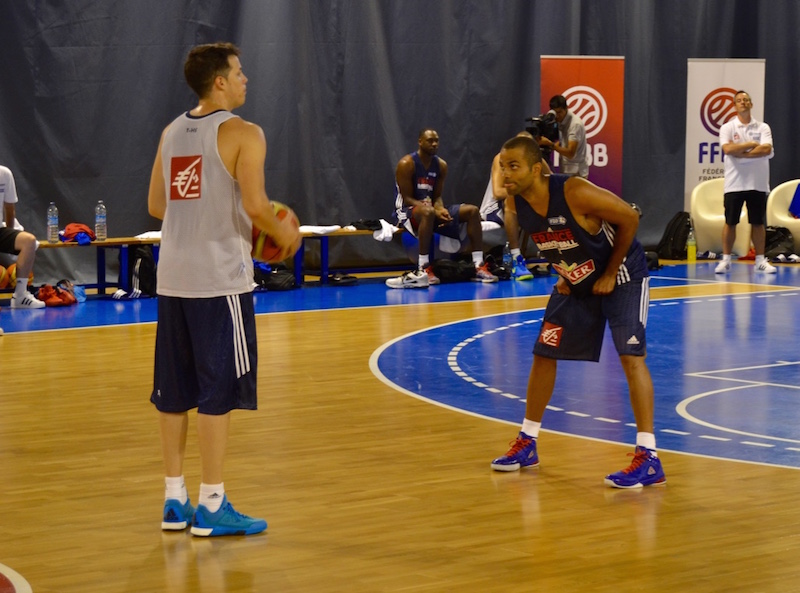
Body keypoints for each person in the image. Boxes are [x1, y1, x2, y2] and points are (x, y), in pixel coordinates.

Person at [147, 42, 300, 536]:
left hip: (172, 277)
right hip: (219, 282)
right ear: (219, 81)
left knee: (173, 391)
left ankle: (175, 500)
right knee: (219, 391)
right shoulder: (244, 133)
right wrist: (285, 236)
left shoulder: (171, 131)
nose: (245, 79)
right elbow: (256, 206)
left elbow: (156, 205)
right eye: (239, 72)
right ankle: (212, 504)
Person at [490, 135, 665, 489]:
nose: (505, 173)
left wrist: (611, 271)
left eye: (514, 166)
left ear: (536, 169)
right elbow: (550, 237)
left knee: (631, 357)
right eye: (502, 166)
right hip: (578, 279)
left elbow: (630, 218)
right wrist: (563, 270)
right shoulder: (514, 201)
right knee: (544, 352)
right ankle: (528, 442)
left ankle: (649, 458)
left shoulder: (574, 191)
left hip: (623, 274)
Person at [387, 128, 497, 288]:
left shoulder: (441, 165)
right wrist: (434, 209)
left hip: (429, 210)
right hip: (404, 212)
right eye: (430, 140)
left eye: (436, 140)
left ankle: (478, 265)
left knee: (472, 211)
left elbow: (436, 196)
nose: (434, 144)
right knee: (428, 212)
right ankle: (424, 269)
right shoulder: (407, 164)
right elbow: (407, 198)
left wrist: (441, 209)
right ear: (420, 142)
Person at [715, 90, 776, 274]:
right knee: (730, 222)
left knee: (758, 222)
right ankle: (726, 260)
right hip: (735, 183)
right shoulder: (727, 128)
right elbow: (727, 149)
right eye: (740, 101)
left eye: (747, 100)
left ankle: (760, 260)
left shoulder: (763, 127)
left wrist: (741, 154)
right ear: (734, 106)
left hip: (757, 183)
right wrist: (750, 144)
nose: (743, 103)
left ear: (751, 104)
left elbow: (766, 149)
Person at [479, 131, 536, 280]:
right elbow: (498, 192)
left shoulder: (535, 163)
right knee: (513, 199)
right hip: (494, 207)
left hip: (522, 203)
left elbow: (549, 184)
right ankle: (516, 258)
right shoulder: (501, 159)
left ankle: (556, 257)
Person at [0, 165, 45, 312]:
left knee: (29, 241)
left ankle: (20, 295)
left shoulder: (4, 173)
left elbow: (9, 208)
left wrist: (9, 236)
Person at [537, 95, 589, 179]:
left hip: (577, 173)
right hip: (566, 170)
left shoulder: (575, 124)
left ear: (566, 108)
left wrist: (551, 145)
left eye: (559, 112)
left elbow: (570, 153)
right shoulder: (560, 120)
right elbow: (564, 141)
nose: (557, 116)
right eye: (555, 113)